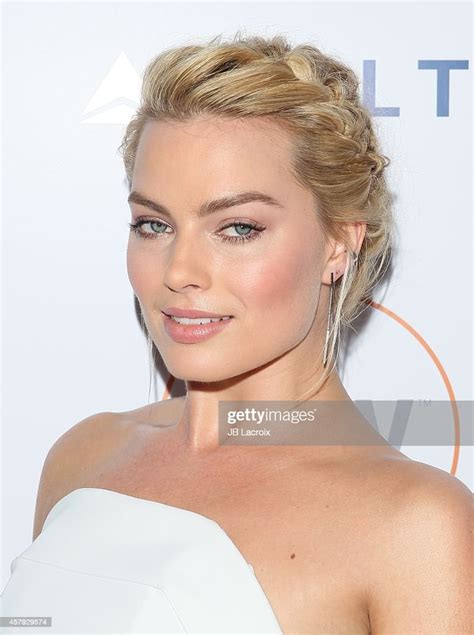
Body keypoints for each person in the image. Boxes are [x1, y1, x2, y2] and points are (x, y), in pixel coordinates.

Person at [1, 32, 471, 634]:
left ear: (338, 243)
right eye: (153, 224)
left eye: (239, 229)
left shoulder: (416, 526)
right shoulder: (82, 457)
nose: (179, 272)